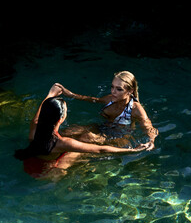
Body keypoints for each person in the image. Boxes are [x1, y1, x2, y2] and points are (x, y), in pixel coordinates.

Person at [14, 94, 147, 179]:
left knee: (80, 132)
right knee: (84, 143)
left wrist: (51, 95)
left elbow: (43, 110)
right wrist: (132, 150)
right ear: (61, 118)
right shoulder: (62, 143)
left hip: (28, 163)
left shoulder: (35, 126)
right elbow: (100, 150)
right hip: (46, 173)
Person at [53, 71, 158, 151]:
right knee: (69, 131)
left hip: (120, 137)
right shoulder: (110, 99)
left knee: (86, 137)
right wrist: (70, 94)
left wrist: (151, 141)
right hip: (103, 128)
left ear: (130, 91)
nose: (113, 91)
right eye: (112, 87)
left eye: (119, 89)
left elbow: (148, 127)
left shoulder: (136, 109)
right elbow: (92, 100)